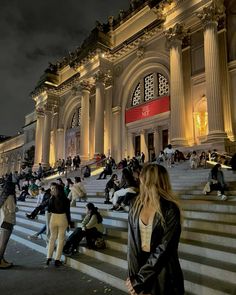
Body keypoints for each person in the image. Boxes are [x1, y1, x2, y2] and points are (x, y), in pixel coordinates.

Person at [126, 164, 184, 295]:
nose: (139, 178)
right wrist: (133, 277)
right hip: (141, 268)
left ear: (149, 179)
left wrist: (140, 279)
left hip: (164, 271)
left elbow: (165, 248)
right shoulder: (135, 204)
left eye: (142, 175)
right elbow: (132, 245)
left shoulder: (170, 208)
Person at [46, 183, 71, 267]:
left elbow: (48, 209)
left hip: (53, 218)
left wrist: (51, 198)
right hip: (63, 218)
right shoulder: (66, 200)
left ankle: (48, 257)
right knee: (61, 240)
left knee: (52, 238)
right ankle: (57, 259)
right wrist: (69, 223)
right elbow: (68, 212)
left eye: (53, 189)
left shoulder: (52, 198)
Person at [0, 174, 17, 269]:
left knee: (2, 243)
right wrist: (17, 208)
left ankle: (2, 259)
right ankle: (0, 261)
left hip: (3, 221)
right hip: (8, 221)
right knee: (3, 244)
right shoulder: (10, 196)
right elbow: (12, 209)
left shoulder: (3, 195)